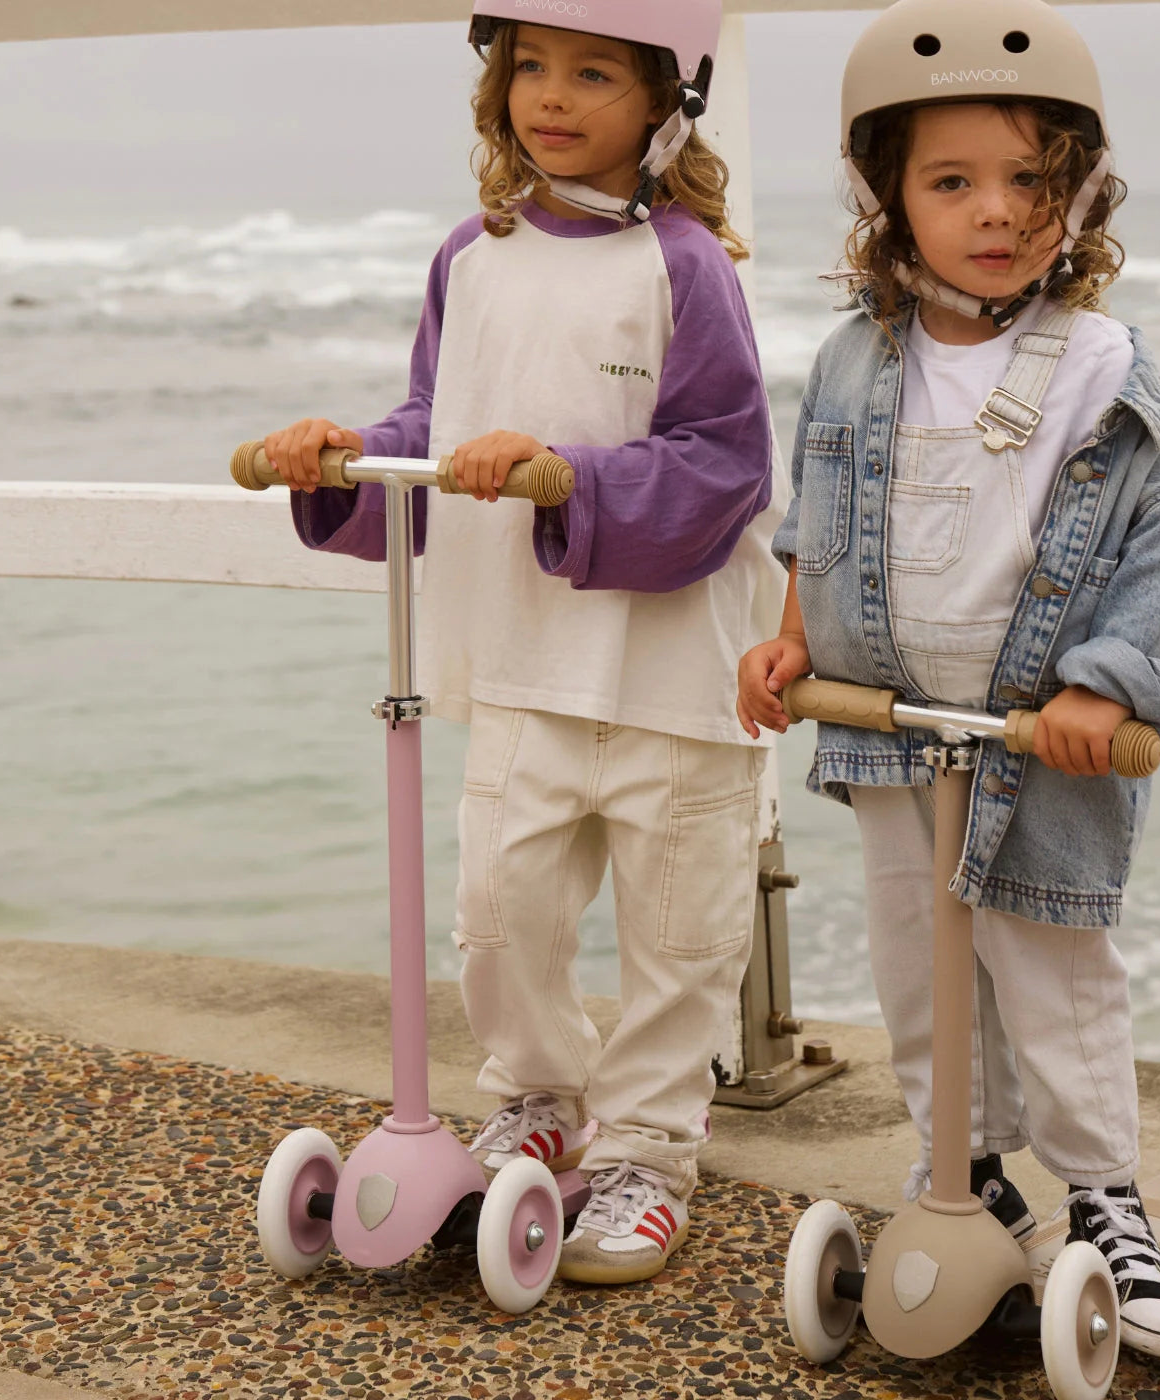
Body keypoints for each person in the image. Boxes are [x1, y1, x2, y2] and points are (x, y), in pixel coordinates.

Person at [265, 0, 788, 1285]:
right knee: (501, 913)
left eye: (592, 72)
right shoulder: (472, 255)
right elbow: (434, 423)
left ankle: (652, 1145)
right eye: (529, 68)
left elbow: (723, 460)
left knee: (679, 934)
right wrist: (344, 460)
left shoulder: (684, 263)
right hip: (517, 662)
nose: (550, 96)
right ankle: (542, 1093)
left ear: (668, 100)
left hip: (670, 670)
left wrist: (568, 475)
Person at [736, 0, 1160, 1361]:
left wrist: (1109, 690)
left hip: (1034, 736)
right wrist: (794, 642)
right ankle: (967, 1165)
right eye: (953, 182)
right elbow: (817, 526)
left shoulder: (1102, 366)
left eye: (1032, 182)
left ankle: (1105, 1197)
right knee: (918, 971)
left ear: (1080, 197)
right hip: (896, 730)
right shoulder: (852, 361)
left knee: (1049, 971)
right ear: (890, 197)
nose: (996, 212)